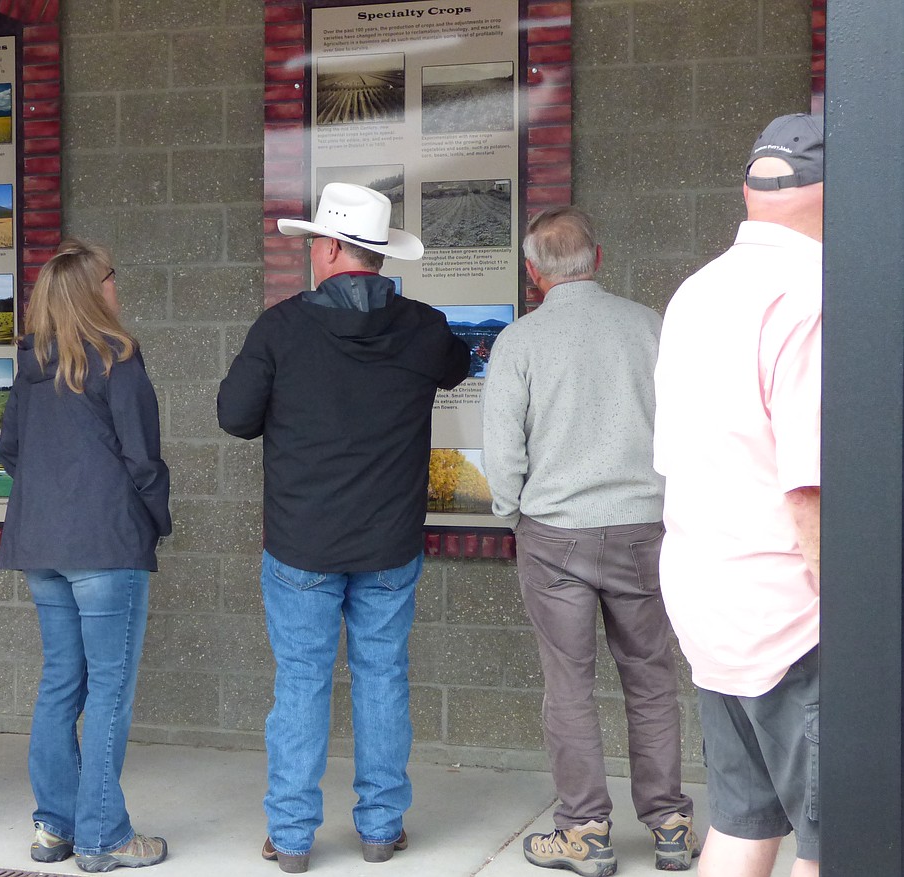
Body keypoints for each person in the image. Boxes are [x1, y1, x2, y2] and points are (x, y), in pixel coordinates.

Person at [218, 183, 469, 873]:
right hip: (389, 544)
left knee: (300, 682)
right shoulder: (424, 327)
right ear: (378, 255)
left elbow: (234, 417)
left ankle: (293, 837)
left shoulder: (282, 328)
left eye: (313, 246)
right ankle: (381, 829)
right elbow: (457, 365)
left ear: (329, 248)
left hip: (302, 543)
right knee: (382, 675)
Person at [481, 207, 697, 876]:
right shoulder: (648, 327)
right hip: (642, 527)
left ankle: (583, 829)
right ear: (597, 259)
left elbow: (502, 445)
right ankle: (669, 822)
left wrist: (510, 507)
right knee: (651, 676)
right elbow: (684, 425)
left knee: (568, 683)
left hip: (555, 534)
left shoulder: (519, 340)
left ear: (533, 272)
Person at [652, 114, 823, 877]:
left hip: (709, 602)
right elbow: (808, 486)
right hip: (796, 617)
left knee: (742, 823)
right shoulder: (816, 293)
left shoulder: (697, 289)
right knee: (837, 841)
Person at [0, 240, 172, 872]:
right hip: (105, 543)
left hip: (40, 545)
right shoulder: (117, 359)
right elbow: (143, 459)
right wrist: (157, 520)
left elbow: (10, 452)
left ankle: (54, 827)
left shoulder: (29, 362)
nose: (117, 287)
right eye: (113, 277)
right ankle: (103, 836)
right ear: (98, 289)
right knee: (108, 692)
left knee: (60, 684)